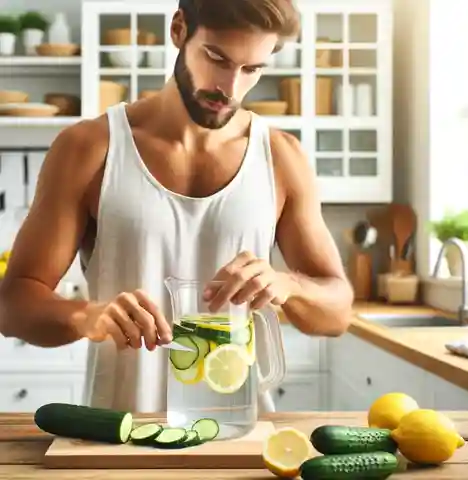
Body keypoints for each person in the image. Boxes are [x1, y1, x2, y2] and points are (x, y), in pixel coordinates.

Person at [0, 0, 353, 413]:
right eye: (216, 58)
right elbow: (12, 305)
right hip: (119, 439)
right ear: (179, 29)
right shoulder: (89, 148)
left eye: (252, 70)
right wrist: (86, 317)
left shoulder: (282, 157)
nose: (230, 88)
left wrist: (289, 285)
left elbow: (338, 310)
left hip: (237, 437)